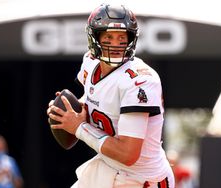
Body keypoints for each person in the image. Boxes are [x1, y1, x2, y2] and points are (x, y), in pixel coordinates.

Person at [47, 3, 175, 188]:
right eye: (108, 36)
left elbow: (128, 154)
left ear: (131, 39)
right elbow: (94, 98)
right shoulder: (90, 63)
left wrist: (80, 127)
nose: (115, 44)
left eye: (122, 37)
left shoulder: (140, 81)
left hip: (142, 179)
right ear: (95, 37)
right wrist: (69, 110)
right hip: (109, 167)